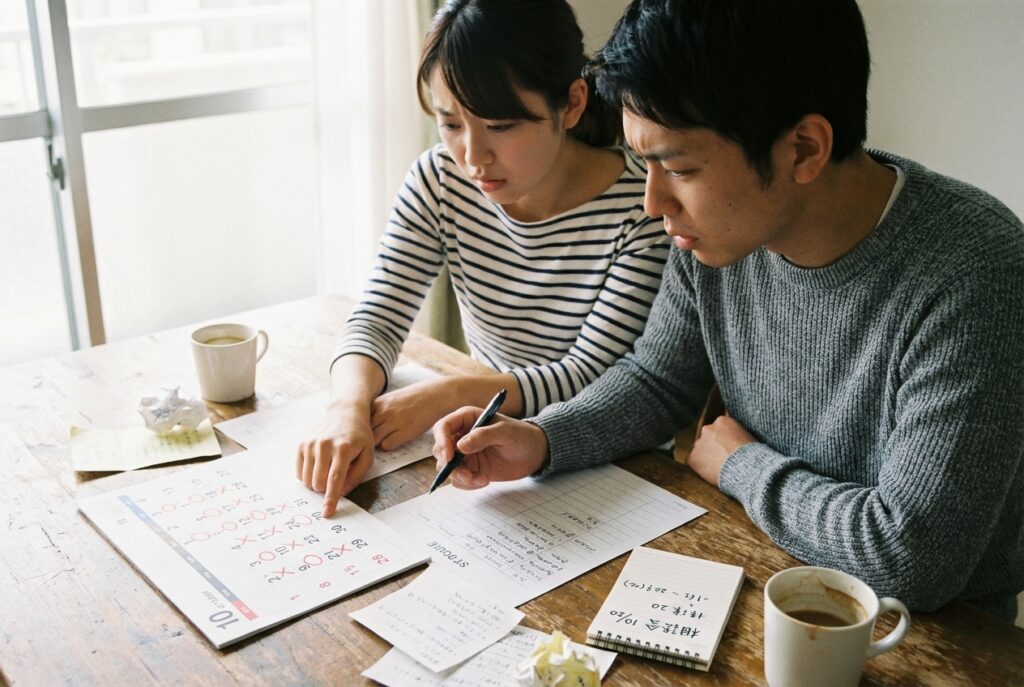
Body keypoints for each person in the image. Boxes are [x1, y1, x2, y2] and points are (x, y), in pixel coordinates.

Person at [431, 0, 1024, 621]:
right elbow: (656, 380)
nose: (652, 201)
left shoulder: (975, 270)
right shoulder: (715, 235)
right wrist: (542, 439)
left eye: (678, 167)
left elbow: (909, 557)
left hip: (930, 637)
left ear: (802, 149)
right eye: (646, 161)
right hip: (753, 567)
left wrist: (741, 465)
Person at [297, 0, 670, 517]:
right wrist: (345, 408)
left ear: (573, 103)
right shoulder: (439, 179)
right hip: (487, 448)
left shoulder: (644, 207)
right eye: (450, 124)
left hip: (606, 465)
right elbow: (380, 314)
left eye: (500, 126)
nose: (473, 156)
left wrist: (446, 394)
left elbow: (593, 376)